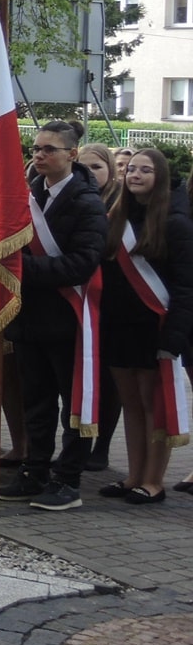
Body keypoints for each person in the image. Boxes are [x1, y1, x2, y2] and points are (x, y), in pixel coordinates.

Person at [0, 120, 109, 511]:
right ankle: (35, 470)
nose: (40, 155)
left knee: (73, 405)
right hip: (30, 317)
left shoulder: (86, 202)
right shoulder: (29, 194)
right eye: (36, 149)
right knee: (36, 402)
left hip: (68, 318)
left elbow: (82, 263)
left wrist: (22, 269)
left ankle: (68, 480)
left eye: (49, 149)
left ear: (72, 154)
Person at [97, 148, 193, 504]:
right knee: (131, 404)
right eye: (132, 169)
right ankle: (133, 476)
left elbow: (185, 286)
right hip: (120, 326)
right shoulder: (115, 218)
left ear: (160, 177)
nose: (135, 175)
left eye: (145, 170)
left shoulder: (175, 223)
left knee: (154, 406)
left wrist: (174, 338)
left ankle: (154, 481)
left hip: (155, 328)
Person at [78, 142, 123, 471]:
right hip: (78, 301)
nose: (91, 173)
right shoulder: (74, 199)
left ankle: (102, 446)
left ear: (110, 169)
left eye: (97, 166)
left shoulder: (121, 206)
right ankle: (79, 442)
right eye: (85, 167)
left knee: (108, 380)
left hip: (111, 304)